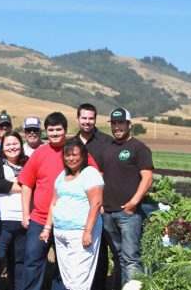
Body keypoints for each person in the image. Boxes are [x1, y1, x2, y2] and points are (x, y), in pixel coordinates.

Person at [19, 112, 98, 290]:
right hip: (40, 219)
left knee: (65, 267)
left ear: (65, 130)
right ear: (46, 132)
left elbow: (94, 178)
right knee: (33, 261)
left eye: (58, 129)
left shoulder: (76, 152)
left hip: (68, 222)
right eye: (51, 130)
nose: (54, 133)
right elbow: (26, 184)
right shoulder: (39, 154)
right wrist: (25, 214)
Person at [99, 108, 154, 287]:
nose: (117, 127)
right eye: (114, 123)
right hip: (107, 213)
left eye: (120, 123)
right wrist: (100, 204)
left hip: (128, 214)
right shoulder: (107, 148)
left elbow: (147, 179)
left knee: (131, 259)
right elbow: (100, 177)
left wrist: (133, 203)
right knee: (118, 257)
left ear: (129, 125)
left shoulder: (139, 148)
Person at [41, 139, 104, 290]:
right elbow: (54, 203)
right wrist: (47, 228)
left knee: (79, 278)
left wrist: (87, 232)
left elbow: (96, 204)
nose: (71, 158)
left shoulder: (90, 174)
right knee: (68, 276)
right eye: (67, 155)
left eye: (75, 154)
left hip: (80, 232)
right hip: (61, 232)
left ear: (83, 155)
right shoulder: (62, 175)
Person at [73, 103, 118, 290]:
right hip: (77, 205)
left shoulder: (107, 142)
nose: (87, 122)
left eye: (91, 118)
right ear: (77, 119)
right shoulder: (71, 143)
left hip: (100, 205)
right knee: (79, 250)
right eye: (84, 118)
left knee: (100, 251)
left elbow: (113, 172)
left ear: (95, 120)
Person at [0, 131, 29, 290]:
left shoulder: (29, 162)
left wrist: (11, 184)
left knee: (19, 262)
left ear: (21, 144)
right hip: (2, 220)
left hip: (24, 222)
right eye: (8, 144)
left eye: (15, 143)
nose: (12, 147)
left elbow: (36, 183)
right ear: (2, 148)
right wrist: (25, 186)